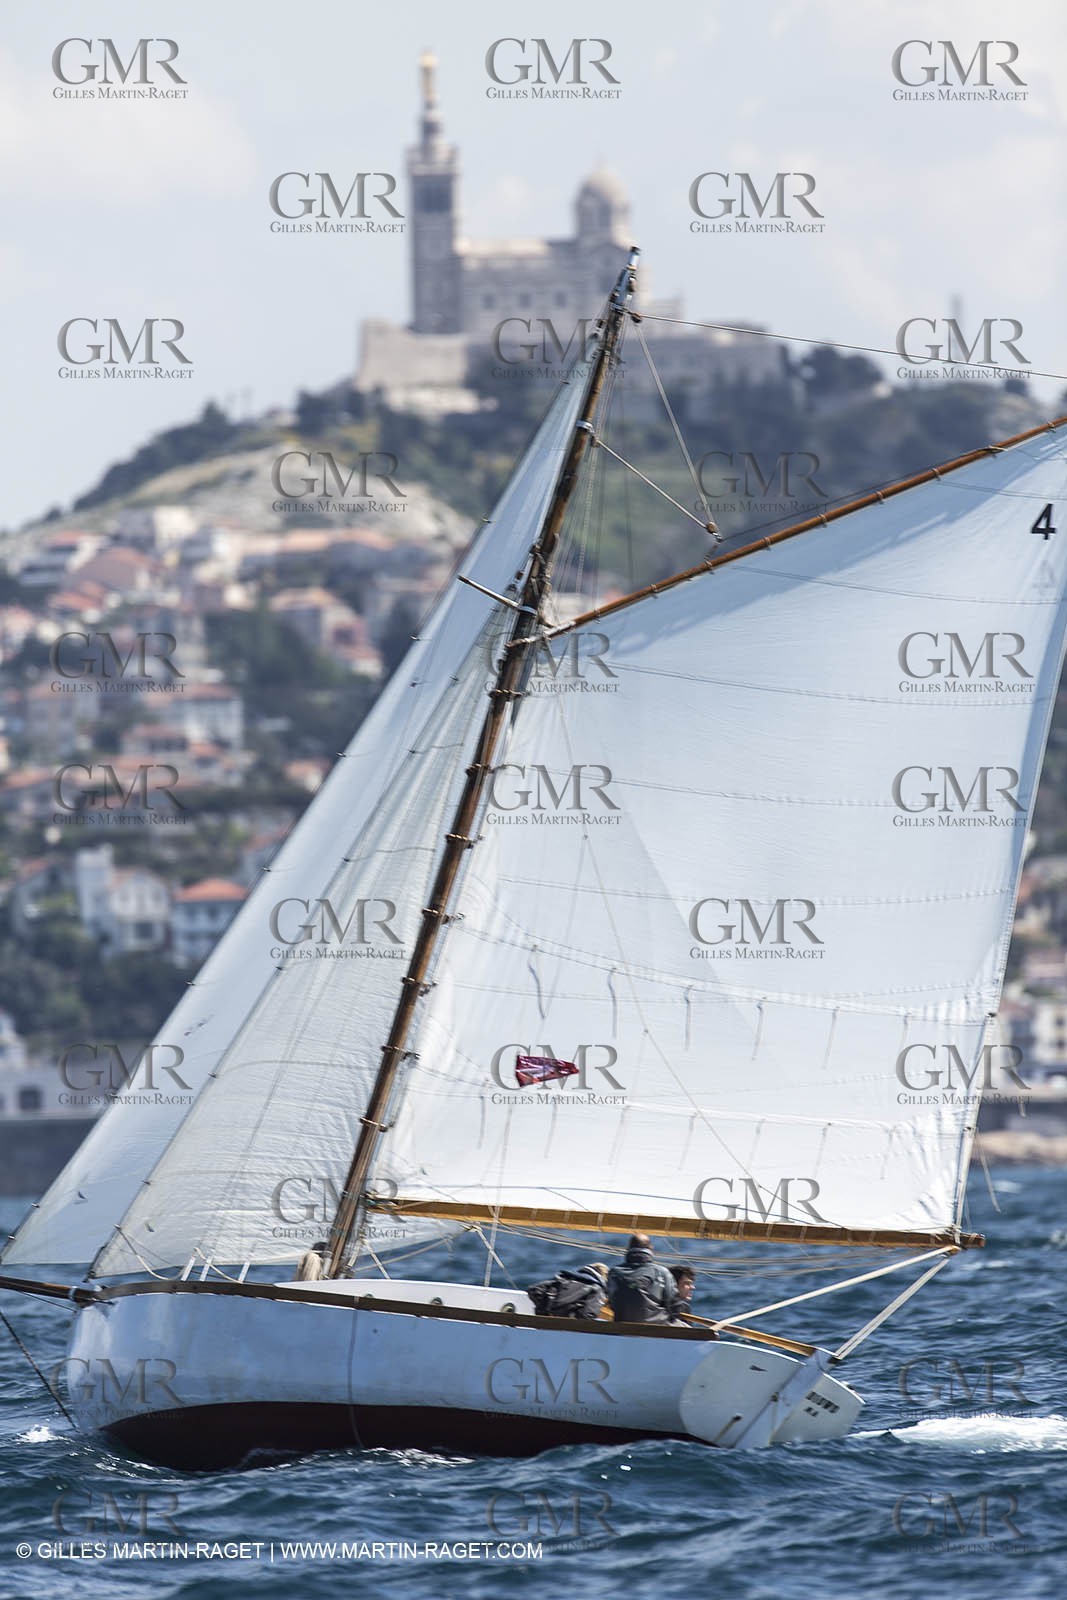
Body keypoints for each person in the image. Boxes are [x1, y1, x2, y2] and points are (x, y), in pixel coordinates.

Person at [607, 1234, 677, 1324]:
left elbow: (612, 1302)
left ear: (628, 1249)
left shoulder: (614, 1273)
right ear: (650, 1249)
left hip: (623, 1327)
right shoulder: (662, 1272)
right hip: (656, 1328)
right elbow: (672, 1303)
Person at [527, 1262, 608, 1319]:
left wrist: (545, 1308)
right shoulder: (596, 1288)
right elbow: (588, 1314)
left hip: (542, 1322)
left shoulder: (562, 1279)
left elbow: (534, 1289)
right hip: (567, 1329)